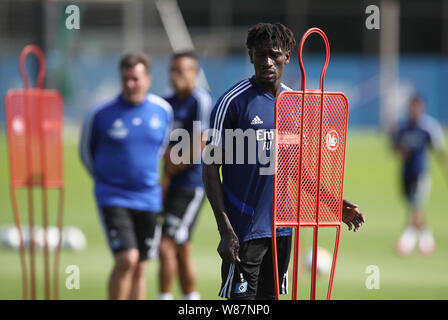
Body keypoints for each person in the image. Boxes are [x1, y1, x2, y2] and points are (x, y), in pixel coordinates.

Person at [202, 22, 365, 300]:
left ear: (287, 56)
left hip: (281, 228)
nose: (267, 61)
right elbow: (209, 168)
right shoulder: (232, 102)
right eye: (260, 54)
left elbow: (297, 171)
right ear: (250, 55)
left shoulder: (295, 104)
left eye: (274, 54)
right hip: (243, 231)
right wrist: (225, 228)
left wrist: (333, 204)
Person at [79, 52, 173, 299]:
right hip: (113, 197)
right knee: (127, 259)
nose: (131, 84)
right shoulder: (100, 113)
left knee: (140, 265)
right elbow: (86, 153)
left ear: (148, 79)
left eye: (136, 79)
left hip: (149, 199)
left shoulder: (163, 111)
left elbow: (162, 148)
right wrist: (106, 182)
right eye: (126, 79)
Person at [157, 51, 212, 300]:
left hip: (192, 185)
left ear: (195, 73)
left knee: (165, 244)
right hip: (171, 182)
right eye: (172, 70)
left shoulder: (200, 100)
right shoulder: (165, 103)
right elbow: (161, 147)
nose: (175, 76)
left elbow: (197, 147)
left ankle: (164, 296)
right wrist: (165, 176)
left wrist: (170, 166)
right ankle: (191, 299)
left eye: (181, 70)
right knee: (180, 247)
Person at [393, 95, 446, 255]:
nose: (414, 110)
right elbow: (395, 147)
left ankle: (406, 241)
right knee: (413, 205)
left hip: (420, 172)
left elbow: (438, 150)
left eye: (417, 107)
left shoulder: (428, 127)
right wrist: (400, 151)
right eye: (412, 107)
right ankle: (426, 239)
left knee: (415, 206)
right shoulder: (404, 127)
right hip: (405, 173)